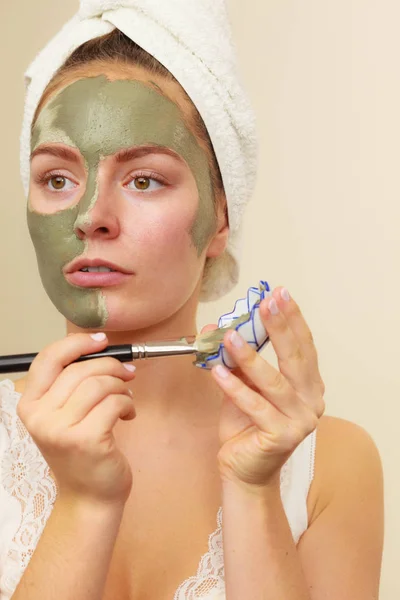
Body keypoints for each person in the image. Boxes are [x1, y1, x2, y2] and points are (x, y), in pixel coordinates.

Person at [0, 3, 384, 600]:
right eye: (57, 179)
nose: (92, 218)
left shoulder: (333, 465)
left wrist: (254, 489)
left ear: (219, 218)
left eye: (144, 179)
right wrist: (83, 505)